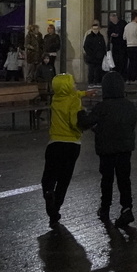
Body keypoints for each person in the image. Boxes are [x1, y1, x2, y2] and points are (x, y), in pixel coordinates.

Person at [78, 71, 137, 229]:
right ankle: (127, 208)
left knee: (107, 179)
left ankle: (105, 208)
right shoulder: (129, 106)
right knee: (124, 179)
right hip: (125, 149)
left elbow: (86, 122)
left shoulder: (102, 107)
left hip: (107, 150)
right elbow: (131, 125)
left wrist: (80, 112)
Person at [42, 73, 86, 229]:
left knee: (49, 176)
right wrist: (82, 125)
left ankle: (48, 192)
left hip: (54, 143)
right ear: (68, 86)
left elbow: (72, 94)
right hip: (72, 144)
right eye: (73, 83)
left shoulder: (55, 99)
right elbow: (74, 122)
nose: (75, 85)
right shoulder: (74, 101)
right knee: (64, 179)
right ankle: (56, 209)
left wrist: (85, 93)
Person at [83, 20, 108, 86]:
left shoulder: (101, 36)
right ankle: (91, 82)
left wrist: (103, 54)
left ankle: (97, 81)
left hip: (99, 56)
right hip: (91, 57)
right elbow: (85, 46)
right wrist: (90, 53)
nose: (95, 30)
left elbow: (103, 46)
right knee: (91, 70)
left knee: (98, 70)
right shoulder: (88, 36)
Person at [123, 11, 137, 83]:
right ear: (136, 17)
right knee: (136, 63)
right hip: (136, 46)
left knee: (130, 63)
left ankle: (128, 78)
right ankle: (134, 78)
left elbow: (124, 37)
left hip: (128, 46)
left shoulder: (127, 26)